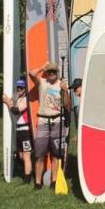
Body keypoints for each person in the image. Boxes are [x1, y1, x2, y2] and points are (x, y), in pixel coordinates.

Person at [28, 61, 71, 190]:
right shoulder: (42, 82)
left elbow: (67, 105)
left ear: (57, 73)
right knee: (39, 155)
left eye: (54, 71)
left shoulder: (62, 85)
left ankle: (54, 181)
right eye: (50, 71)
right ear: (47, 73)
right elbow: (31, 73)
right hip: (42, 122)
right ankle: (37, 182)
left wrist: (65, 91)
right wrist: (42, 67)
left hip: (58, 121)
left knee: (56, 154)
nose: (52, 73)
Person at [2, 78, 32, 184]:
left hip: (26, 131)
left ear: (25, 88)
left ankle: (27, 178)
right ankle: (27, 171)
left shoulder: (26, 99)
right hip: (19, 130)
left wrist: (8, 103)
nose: (19, 89)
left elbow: (15, 110)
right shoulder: (19, 98)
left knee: (26, 155)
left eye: (21, 87)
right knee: (20, 155)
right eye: (18, 87)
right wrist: (9, 101)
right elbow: (13, 103)